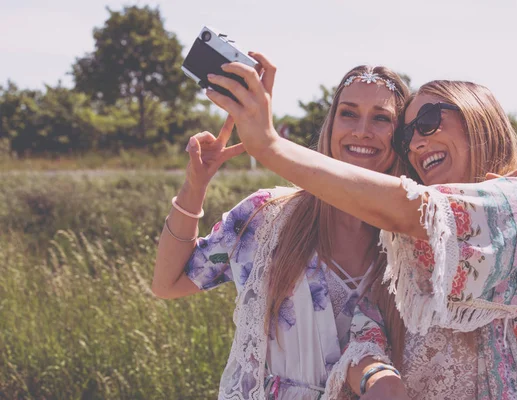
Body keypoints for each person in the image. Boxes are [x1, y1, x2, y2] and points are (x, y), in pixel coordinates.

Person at [204, 56, 517, 399]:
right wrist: (374, 374)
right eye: (405, 135)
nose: (416, 142)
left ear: (477, 115)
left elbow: (410, 209)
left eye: (427, 121)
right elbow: (371, 321)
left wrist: (269, 147)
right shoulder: (409, 237)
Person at [151, 58, 411, 399]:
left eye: (381, 118)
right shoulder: (267, 216)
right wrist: (195, 183)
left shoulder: (412, 245)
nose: (362, 130)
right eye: (348, 113)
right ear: (331, 125)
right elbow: (167, 284)